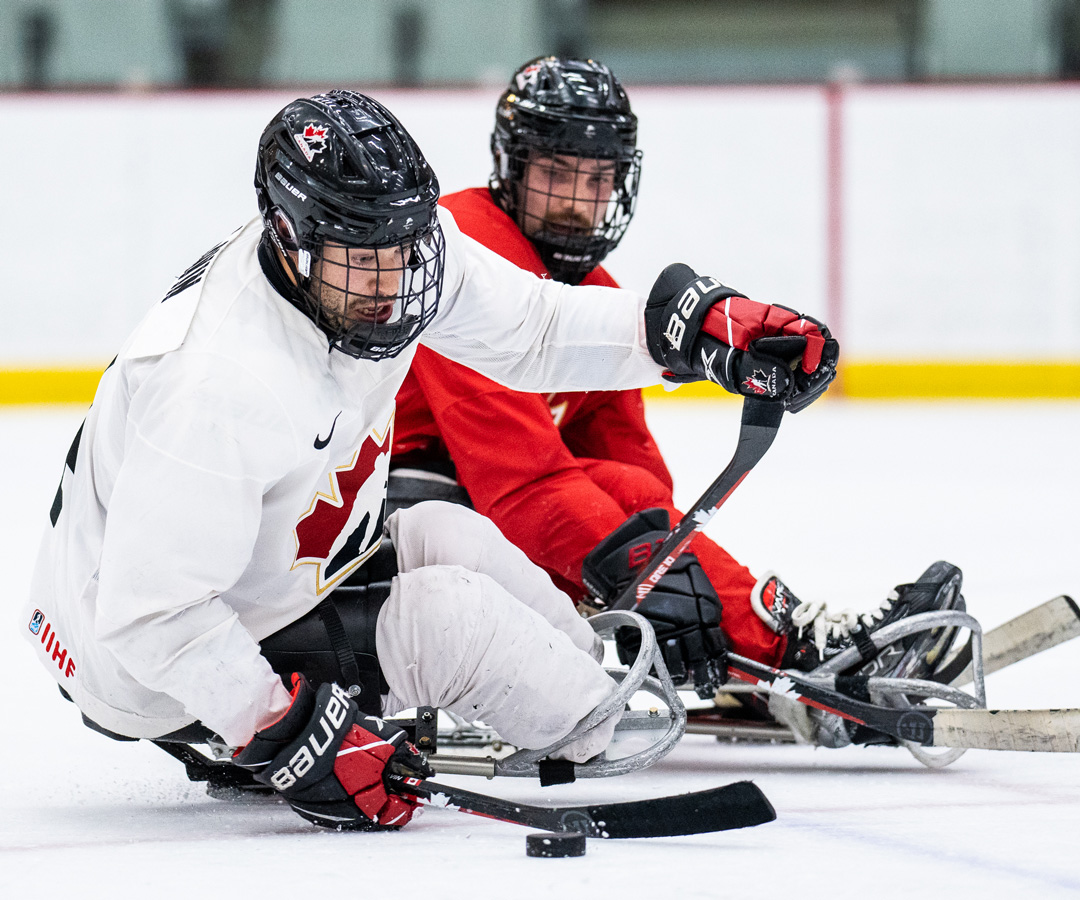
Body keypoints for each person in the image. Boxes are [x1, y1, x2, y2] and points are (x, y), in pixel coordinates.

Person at [389, 57, 965, 740]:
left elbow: (638, 480)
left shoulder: (590, 288)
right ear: (510, 166)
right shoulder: (467, 248)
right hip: (382, 518)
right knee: (605, 513)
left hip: (466, 506)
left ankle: (766, 642)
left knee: (626, 495)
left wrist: (678, 585)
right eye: (556, 172)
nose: (578, 198)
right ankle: (796, 650)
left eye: (598, 179)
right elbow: (518, 482)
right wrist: (649, 577)